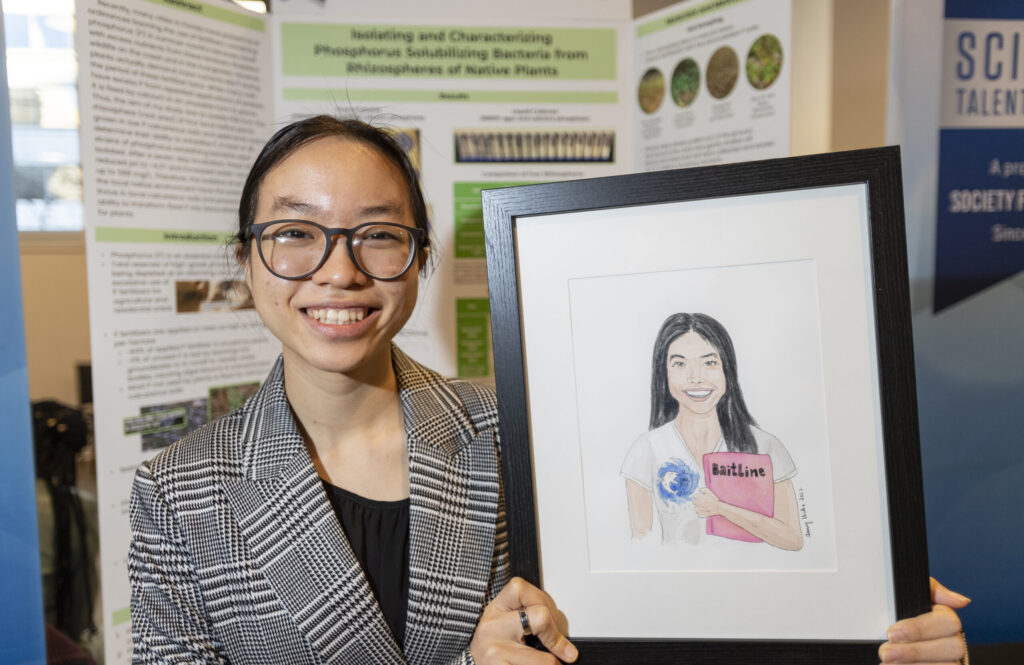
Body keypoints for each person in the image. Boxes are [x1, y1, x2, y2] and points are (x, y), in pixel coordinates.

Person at [128, 115, 968, 665]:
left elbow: (672, 607)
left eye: (377, 234)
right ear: (246, 259)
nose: (338, 270)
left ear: (418, 257)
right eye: (294, 234)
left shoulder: (519, 423)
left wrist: (862, 622)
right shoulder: (176, 491)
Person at [621, 312, 802, 549]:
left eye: (709, 362)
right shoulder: (647, 449)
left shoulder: (765, 446)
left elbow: (793, 539)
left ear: (727, 370)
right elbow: (638, 543)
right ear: (663, 374)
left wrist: (721, 509)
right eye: (679, 364)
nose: (696, 377)